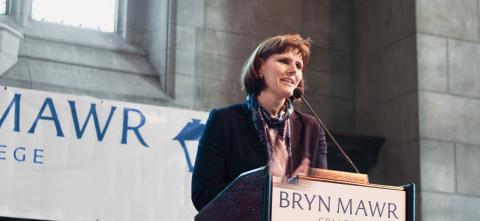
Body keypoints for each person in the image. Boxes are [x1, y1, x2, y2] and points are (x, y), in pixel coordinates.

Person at [191, 33, 327, 211]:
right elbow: (203, 196)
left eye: (299, 65)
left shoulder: (312, 128)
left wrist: (300, 189)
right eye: (284, 61)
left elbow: (323, 197)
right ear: (259, 67)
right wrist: (263, 184)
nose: (294, 70)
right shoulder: (224, 121)